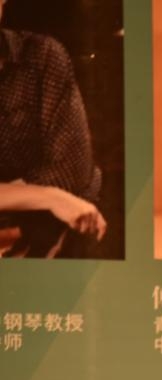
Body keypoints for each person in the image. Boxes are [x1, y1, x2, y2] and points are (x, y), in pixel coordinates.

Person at [0, 3, 105, 258]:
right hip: (52, 205)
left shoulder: (42, 55)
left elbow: (72, 168)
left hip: (69, 218)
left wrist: (15, 196)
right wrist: (48, 196)